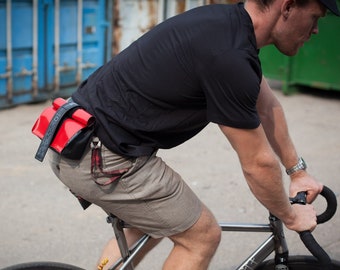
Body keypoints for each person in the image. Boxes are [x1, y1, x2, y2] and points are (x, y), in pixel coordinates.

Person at [49, 0, 339, 269]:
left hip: (77, 138)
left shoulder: (228, 25)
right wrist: (290, 215)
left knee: (154, 221)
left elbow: (266, 107)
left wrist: (297, 172)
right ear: (286, 7)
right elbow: (257, 164)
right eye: (315, 17)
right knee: (202, 237)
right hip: (103, 156)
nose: (315, 29)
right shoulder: (229, 56)